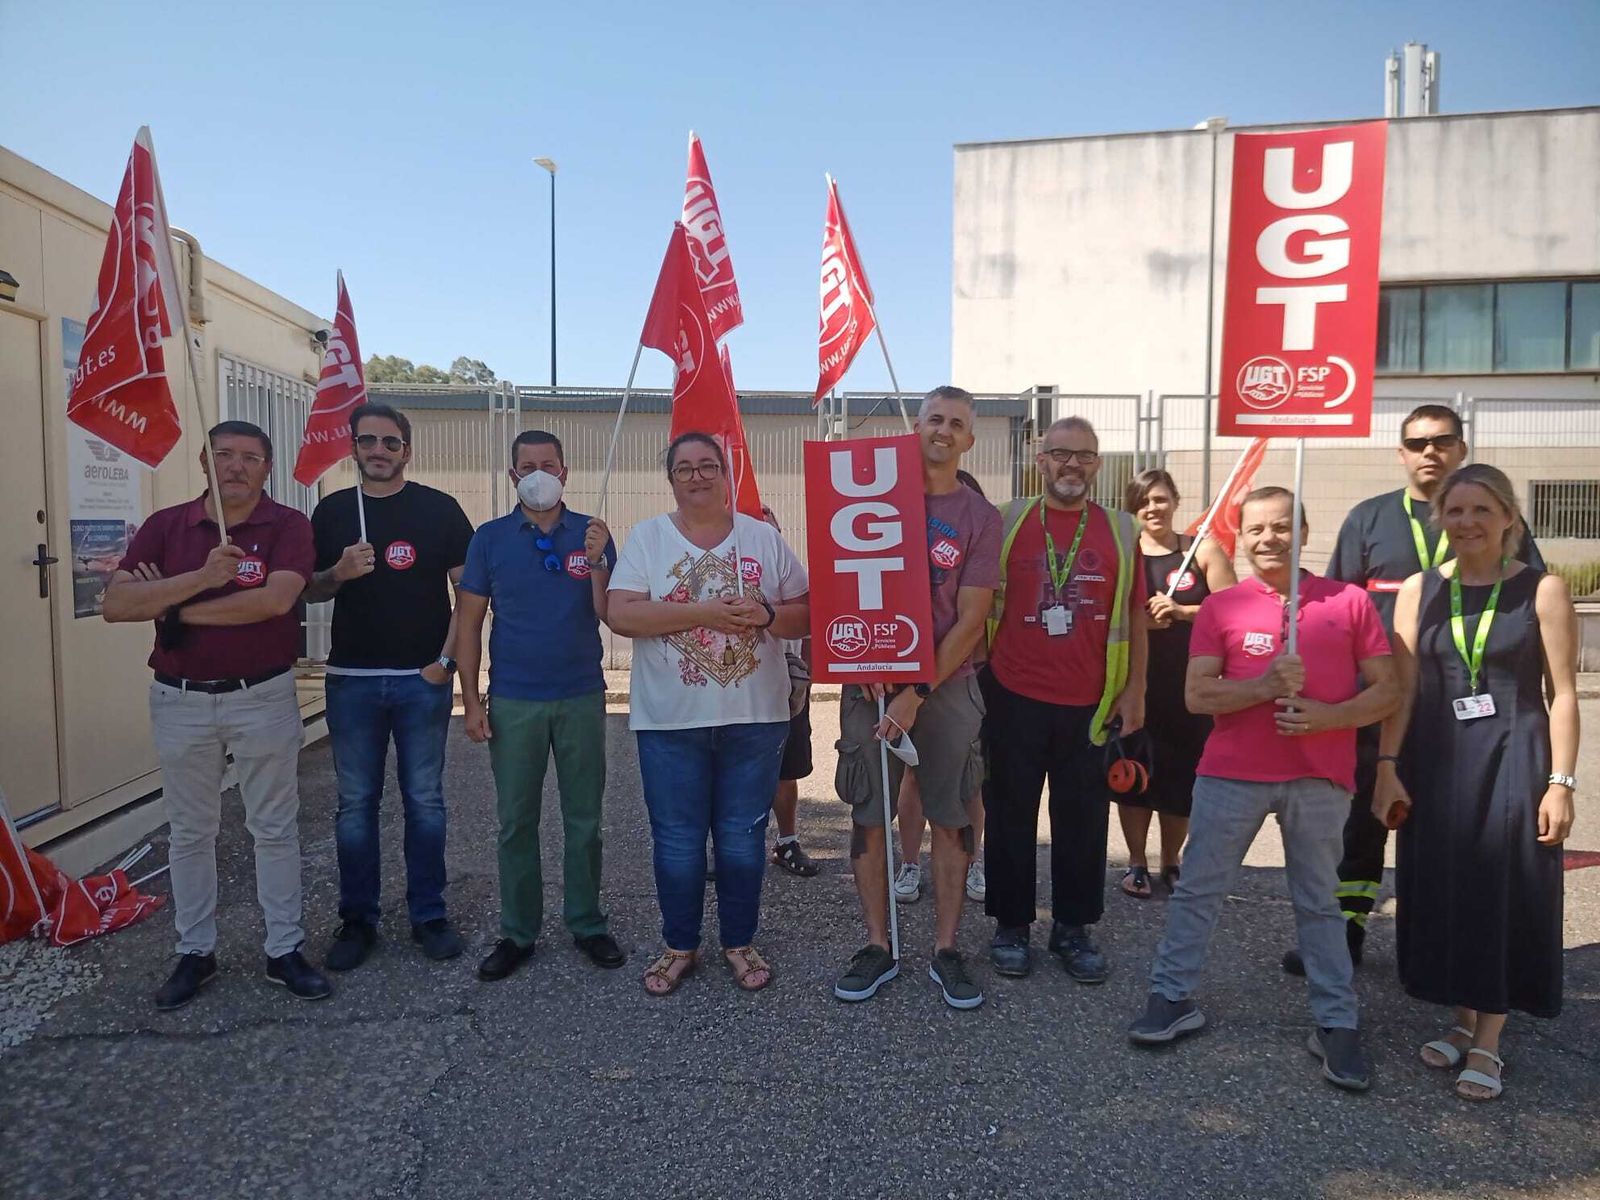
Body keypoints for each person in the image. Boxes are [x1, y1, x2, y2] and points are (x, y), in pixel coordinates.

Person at [1128, 488, 1397, 1093]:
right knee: (1198, 889)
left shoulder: (1348, 602)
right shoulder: (1222, 606)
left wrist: (1327, 718)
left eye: (1281, 527)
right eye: (1255, 529)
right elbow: (1199, 696)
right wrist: (1265, 686)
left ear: (1304, 530)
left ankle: (1335, 1021)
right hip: (1231, 773)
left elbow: (1386, 691)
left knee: (1320, 901)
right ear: (1240, 537)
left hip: (1319, 778)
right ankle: (1171, 997)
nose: (1268, 539)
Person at [1282, 404, 1544, 975]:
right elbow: (1337, 611)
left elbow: (1533, 607)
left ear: (1461, 449)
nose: (1430, 452)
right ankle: (1346, 931)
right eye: (1417, 443)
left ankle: (1464, 950)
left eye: (1442, 441)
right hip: (1381, 701)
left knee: (1460, 827)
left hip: (1470, 706)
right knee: (1363, 819)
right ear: (1401, 454)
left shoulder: (1492, 519)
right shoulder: (1369, 519)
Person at [103, 421, 331, 1009]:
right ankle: (195, 952)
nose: (236, 466)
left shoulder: (288, 526)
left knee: (274, 828)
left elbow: (275, 600)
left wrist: (174, 607)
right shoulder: (166, 527)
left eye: (250, 458)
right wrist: (200, 579)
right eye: (224, 455)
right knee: (190, 831)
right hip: (180, 699)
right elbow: (117, 605)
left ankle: (283, 950)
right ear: (204, 461)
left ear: (267, 468)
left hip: (262, 695)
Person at [1373, 464, 1578, 1102]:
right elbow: (1402, 688)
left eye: (1481, 511)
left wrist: (1561, 783)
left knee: (1501, 888)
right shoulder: (1418, 589)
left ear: (1509, 519)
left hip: (1515, 758)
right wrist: (1386, 766)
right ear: (1440, 520)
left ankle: (1489, 1038)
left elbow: (1564, 694)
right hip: (1436, 758)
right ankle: (1462, 1020)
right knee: (1445, 888)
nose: (1467, 523)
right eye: (1454, 512)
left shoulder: (1542, 590)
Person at [607, 432, 810, 996]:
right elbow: (620, 614)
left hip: (755, 716)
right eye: (684, 468)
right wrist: (706, 612)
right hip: (670, 720)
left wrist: (767, 612)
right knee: (676, 838)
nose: (697, 476)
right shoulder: (648, 538)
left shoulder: (763, 538)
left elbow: (807, 612)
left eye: (707, 466)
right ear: (669, 479)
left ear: (727, 474)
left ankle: (739, 942)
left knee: (743, 838)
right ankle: (680, 945)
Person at [832, 387, 1000, 1011]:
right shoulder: (868, 498)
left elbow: (972, 619)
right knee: (867, 814)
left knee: (951, 818)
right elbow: (843, 581)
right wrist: (863, 661)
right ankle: (878, 945)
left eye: (957, 423)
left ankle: (947, 950)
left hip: (947, 686)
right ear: (917, 427)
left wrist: (916, 691)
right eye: (935, 418)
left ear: (969, 438)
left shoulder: (980, 516)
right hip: (868, 682)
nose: (944, 430)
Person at [305, 403, 475, 971]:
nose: (379, 451)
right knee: (355, 805)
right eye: (368, 441)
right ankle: (358, 921)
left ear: (408, 450)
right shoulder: (332, 512)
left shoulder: (438, 510)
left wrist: (445, 663)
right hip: (351, 679)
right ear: (353, 447)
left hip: (420, 681)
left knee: (424, 802)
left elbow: (470, 597)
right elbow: (307, 591)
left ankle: (429, 914)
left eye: (391, 443)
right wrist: (337, 574)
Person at [982, 417, 1146, 983]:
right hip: (1011, 692)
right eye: (1060, 454)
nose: (1071, 465)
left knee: (1082, 819)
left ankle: (1073, 928)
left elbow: (1136, 617)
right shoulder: (1006, 519)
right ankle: (1010, 924)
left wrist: (1136, 689)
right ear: (1040, 459)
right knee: (1009, 813)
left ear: (1098, 465)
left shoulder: (1122, 529)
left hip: (1092, 702)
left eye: (1083, 456)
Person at [456, 430, 624, 981]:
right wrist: (470, 697)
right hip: (514, 699)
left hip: (580, 694)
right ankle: (517, 932)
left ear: (565, 472)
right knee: (515, 822)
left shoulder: (592, 534)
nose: (538, 473)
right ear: (512, 476)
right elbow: (470, 621)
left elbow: (609, 613)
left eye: (548, 464)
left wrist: (599, 560)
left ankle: (587, 922)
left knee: (584, 820)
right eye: (527, 465)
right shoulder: (490, 538)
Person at [1117, 470, 1235, 899]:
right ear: (1134, 507)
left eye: (1161, 499)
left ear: (1175, 501)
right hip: (1135, 682)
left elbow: (1234, 610)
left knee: (1181, 776)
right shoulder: (1124, 553)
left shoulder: (1201, 551)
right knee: (1133, 775)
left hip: (1188, 683)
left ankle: (1171, 860)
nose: (1153, 508)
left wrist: (1181, 612)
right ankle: (1135, 862)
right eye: (1145, 501)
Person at [893, 467, 990, 905]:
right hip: (907, 669)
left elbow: (979, 616)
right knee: (913, 776)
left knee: (968, 783)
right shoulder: (902, 529)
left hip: (964, 675)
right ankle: (910, 862)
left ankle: (973, 860)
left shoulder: (981, 530)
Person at [761, 508, 821, 879]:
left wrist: (806, 675)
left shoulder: (791, 574)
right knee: (727, 771)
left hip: (786, 682)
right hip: (737, 689)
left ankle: (787, 841)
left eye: (773, 533)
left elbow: (811, 623)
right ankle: (726, 845)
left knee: (787, 770)